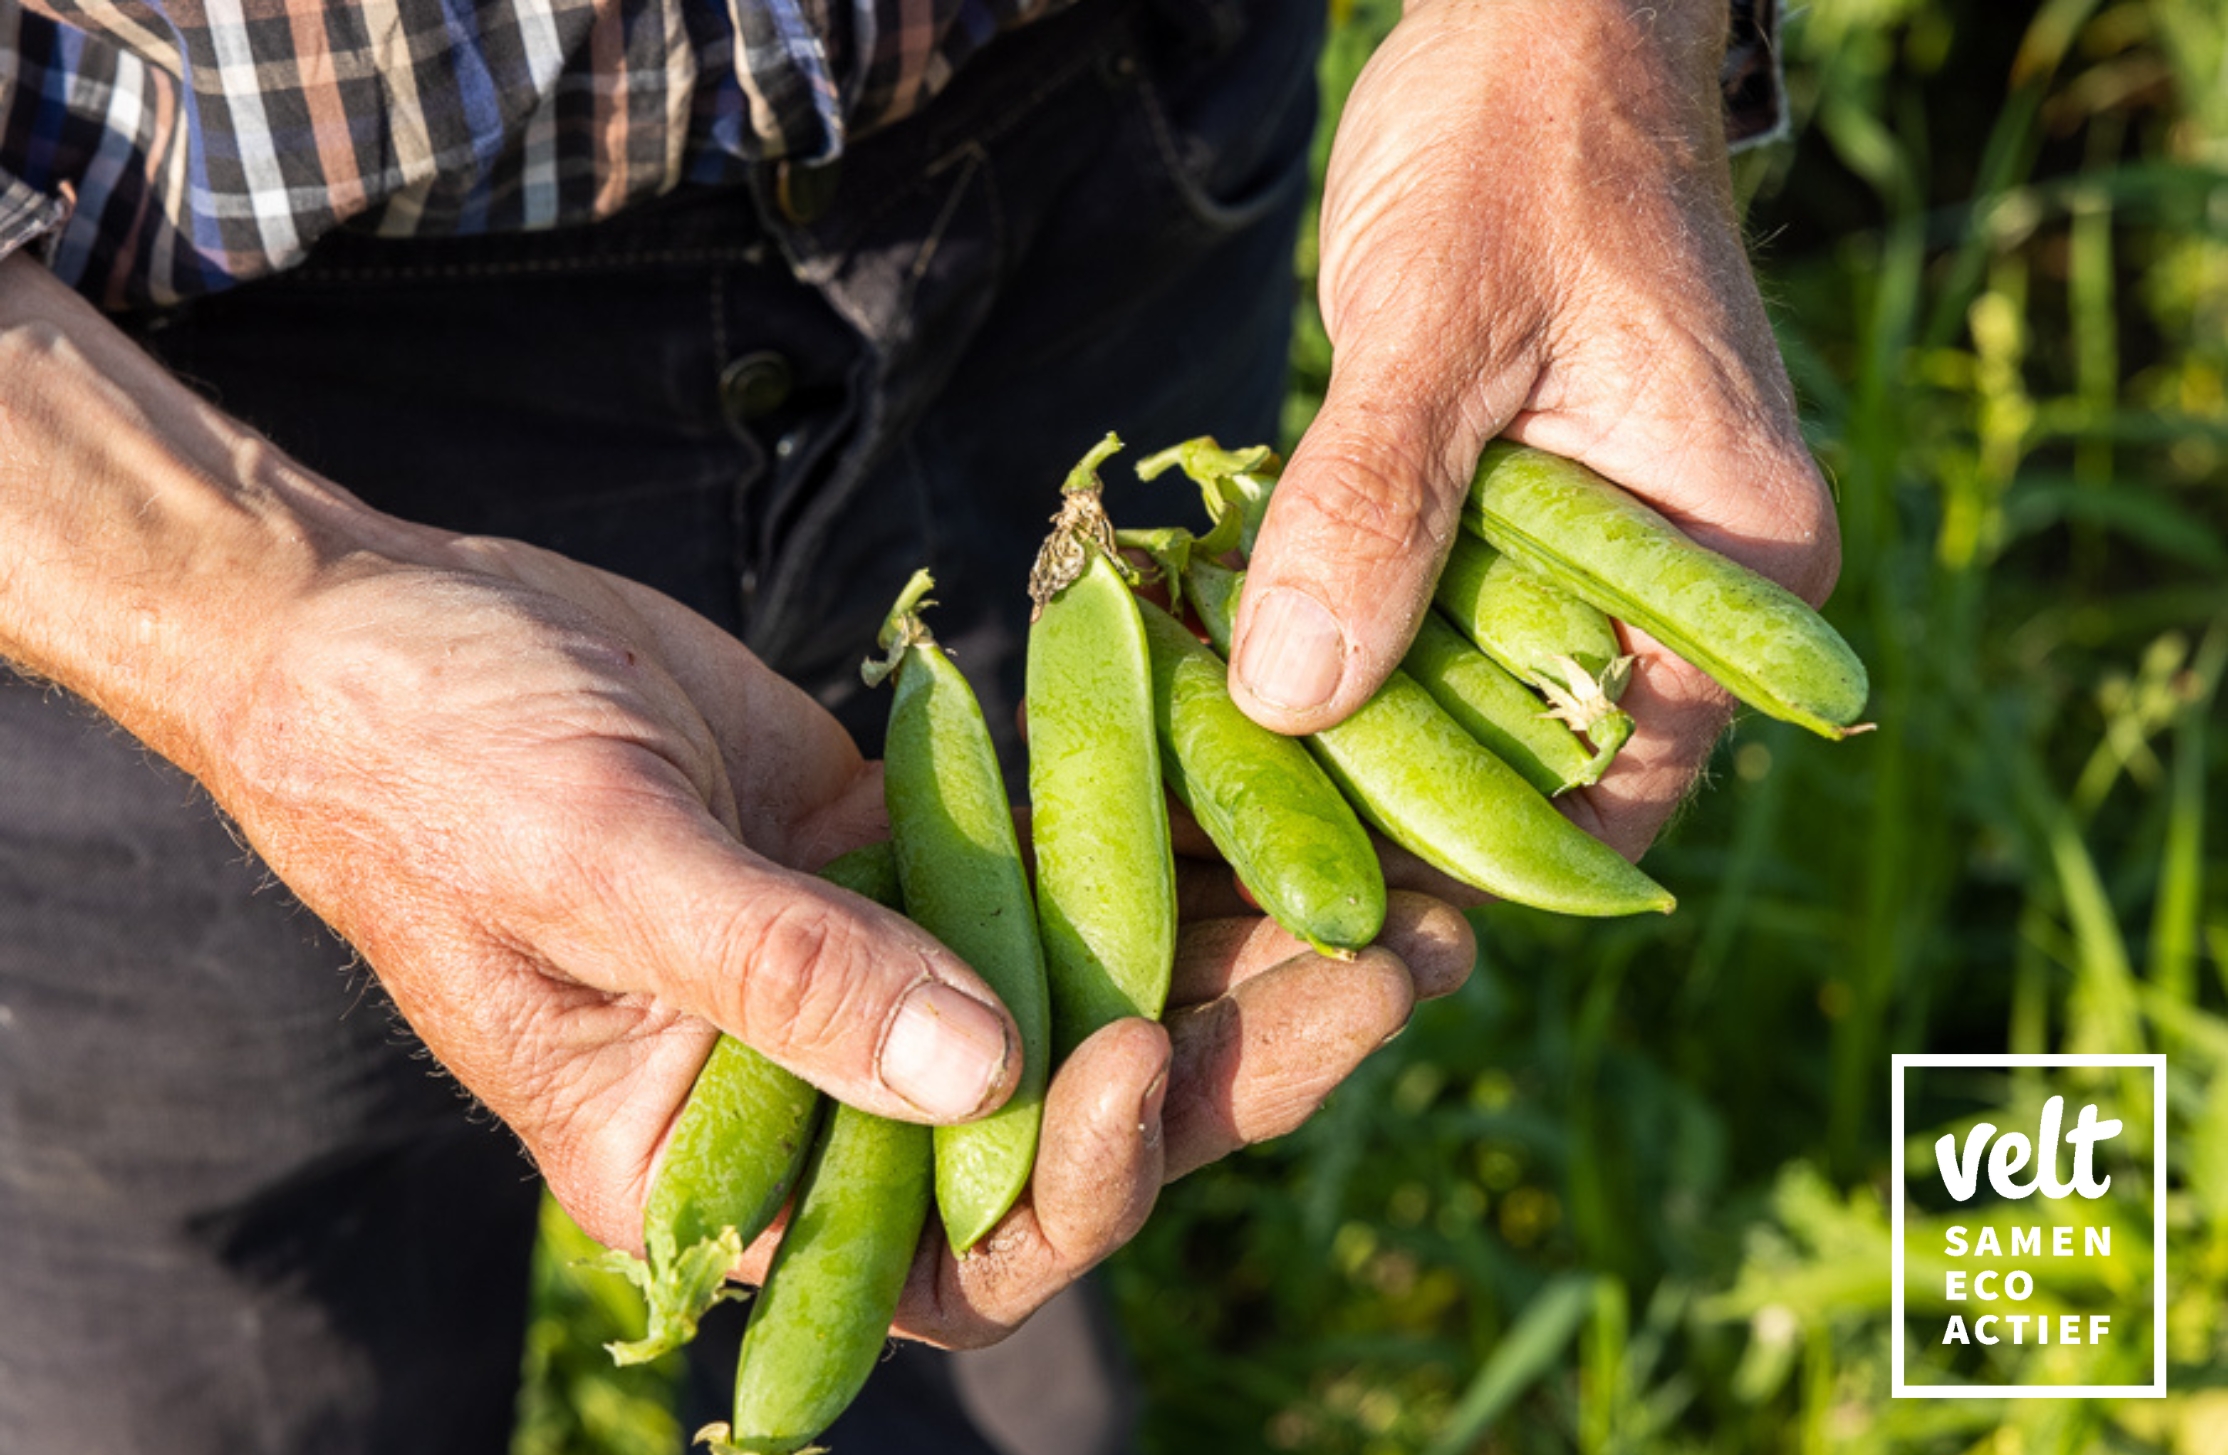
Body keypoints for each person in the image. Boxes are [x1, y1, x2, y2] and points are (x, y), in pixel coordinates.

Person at [0, 0, 1839, 1450]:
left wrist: (1585, 45)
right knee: (244, 1349)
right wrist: (238, 606)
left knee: (1043, 1149)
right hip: (169, 393)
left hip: (1096, 163)